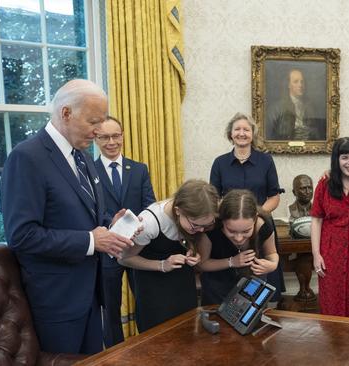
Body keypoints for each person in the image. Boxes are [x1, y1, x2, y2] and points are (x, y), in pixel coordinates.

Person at [0, 79, 133, 354]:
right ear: (66, 113)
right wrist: (90, 241)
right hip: (56, 301)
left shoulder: (82, 156)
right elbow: (22, 236)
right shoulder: (27, 158)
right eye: (93, 122)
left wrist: (111, 223)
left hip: (91, 296)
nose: (99, 132)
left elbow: (86, 214)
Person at [118, 179, 218, 332]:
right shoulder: (149, 222)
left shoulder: (194, 221)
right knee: (158, 338)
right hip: (153, 288)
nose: (200, 231)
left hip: (183, 284)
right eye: (196, 226)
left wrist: (193, 250)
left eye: (206, 226)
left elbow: (189, 238)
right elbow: (124, 258)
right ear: (178, 211)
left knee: (187, 330)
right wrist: (162, 265)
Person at [93, 115, 156, 347]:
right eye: (105, 137)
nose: (111, 142)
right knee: (110, 307)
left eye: (116, 135)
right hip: (107, 249)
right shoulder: (90, 170)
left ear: (122, 136)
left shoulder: (139, 169)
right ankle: (115, 353)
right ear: (96, 139)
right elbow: (91, 210)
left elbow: (150, 203)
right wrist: (115, 226)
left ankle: (149, 347)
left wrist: (140, 223)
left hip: (137, 247)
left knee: (144, 301)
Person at [210, 112, 284, 301]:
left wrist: (256, 218)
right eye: (237, 129)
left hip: (259, 227)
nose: (242, 133)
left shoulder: (266, 160)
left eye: (246, 129)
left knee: (261, 281)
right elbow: (214, 199)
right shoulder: (219, 163)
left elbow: (274, 196)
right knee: (229, 288)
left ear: (253, 134)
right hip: (229, 229)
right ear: (230, 134)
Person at [311, 137, 349, 317]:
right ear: (336, 159)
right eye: (344, 157)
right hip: (330, 253)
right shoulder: (325, 183)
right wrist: (316, 255)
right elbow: (316, 220)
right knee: (331, 304)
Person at [196, 189, 279, 305]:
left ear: (255, 218)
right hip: (216, 291)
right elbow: (201, 264)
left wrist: (272, 265)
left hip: (252, 288)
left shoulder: (264, 226)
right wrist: (231, 262)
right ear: (222, 220)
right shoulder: (211, 228)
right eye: (231, 231)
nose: (239, 238)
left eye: (246, 231)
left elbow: (272, 253)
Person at [267, 68, 326, 141]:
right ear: (288, 85)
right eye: (296, 82)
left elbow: (320, 134)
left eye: (302, 82)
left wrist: (311, 133)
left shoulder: (311, 106)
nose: (300, 85)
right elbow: (272, 136)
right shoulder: (276, 108)